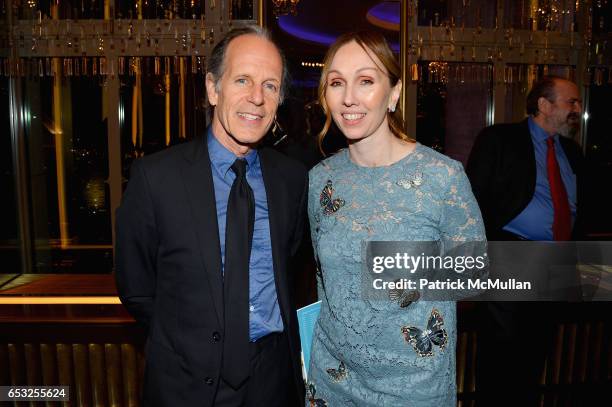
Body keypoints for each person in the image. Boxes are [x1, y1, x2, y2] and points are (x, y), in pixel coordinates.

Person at [115, 26, 307, 406]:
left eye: (270, 86)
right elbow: (136, 287)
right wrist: (190, 339)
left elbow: (295, 267)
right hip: (185, 385)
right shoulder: (156, 179)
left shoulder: (292, 180)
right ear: (212, 89)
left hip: (273, 381)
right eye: (242, 80)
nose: (256, 98)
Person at [307, 31, 485, 406]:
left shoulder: (442, 177)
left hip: (415, 386)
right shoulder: (320, 179)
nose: (349, 97)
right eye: (336, 82)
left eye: (366, 81)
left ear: (393, 93)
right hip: (332, 382)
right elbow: (323, 279)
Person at [466, 76, 585, 405]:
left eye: (578, 103)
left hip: (555, 263)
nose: (577, 109)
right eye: (570, 102)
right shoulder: (500, 139)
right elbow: (472, 198)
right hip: (511, 256)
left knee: (536, 353)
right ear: (544, 105)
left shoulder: (572, 152)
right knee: (501, 354)